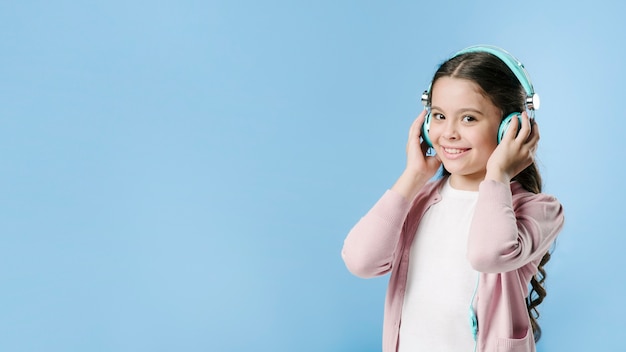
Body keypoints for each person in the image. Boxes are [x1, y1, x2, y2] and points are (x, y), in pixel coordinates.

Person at [341, 45, 565, 352]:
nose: (449, 133)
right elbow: (361, 261)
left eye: (469, 119)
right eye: (439, 116)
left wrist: (498, 175)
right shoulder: (418, 201)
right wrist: (413, 176)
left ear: (510, 128)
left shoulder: (539, 210)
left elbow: (488, 255)